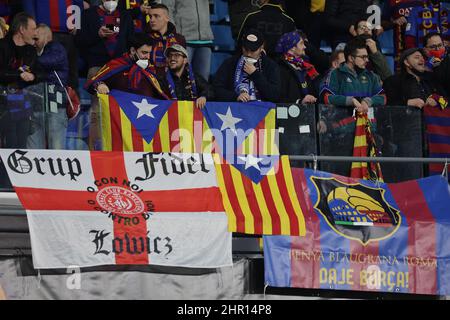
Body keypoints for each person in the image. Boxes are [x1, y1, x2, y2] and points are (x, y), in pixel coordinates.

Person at [75, 0, 134, 149]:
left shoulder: (125, 15)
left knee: (121, 107)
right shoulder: (88, 14)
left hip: (120, 67)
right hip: (97, 66)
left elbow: (130, 39)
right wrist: (98, 34)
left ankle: (121, 145)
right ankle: (96, 148)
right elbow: (80, 40)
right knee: (97, 109)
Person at [0, 12, 44, 149]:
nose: (35, 34)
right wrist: (19, 75)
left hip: (21, 102)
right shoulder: (2, 46)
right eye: (32, 29)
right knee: (10, 141)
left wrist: (34, 76)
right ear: (21, 29)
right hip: (2, 104)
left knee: (21, 143)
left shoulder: (30, 50)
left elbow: (38, 72)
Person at [85, 32, 168, 99]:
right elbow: (93, 82)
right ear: (132, 50)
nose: (148, 57)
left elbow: (161, 95)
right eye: (144, 52)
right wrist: (100, 84)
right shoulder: (116, 65)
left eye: (149, 53)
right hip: (120, 116)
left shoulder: (151, 69)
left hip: (145, 117)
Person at [27, 23, 69, 150]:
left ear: (46, 36)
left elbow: (46, 61)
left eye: (36, 39)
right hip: (36, 103)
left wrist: (28, 60)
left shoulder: (56, 48)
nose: (33, 43)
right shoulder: (37, 52)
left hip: (55, 104)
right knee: (34, 149)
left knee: (56, 148)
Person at [213, 29, 281, 102]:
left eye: (253, 50)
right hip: (235, 109)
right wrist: (235, 97)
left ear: (261, 47)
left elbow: (274, 96)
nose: (248, 54)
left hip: (261, 110)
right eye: (245, 49)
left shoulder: (270, 65)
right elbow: (216, 89)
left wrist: (255, 74)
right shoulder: (230, 63)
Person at [320, 37, 386, 112]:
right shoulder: (335, 74)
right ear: (351, 58)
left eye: (367, 57)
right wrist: (350, 101)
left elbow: (383, 98)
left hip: (368, 122)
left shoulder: (372, 76)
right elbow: (326, 97)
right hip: (343, 122)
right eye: (363, 57)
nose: (367, 60)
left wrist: (368, 101)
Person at [162, 0, 214, 81]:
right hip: (183, 41)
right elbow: (167, 10)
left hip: (205, 40)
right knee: (181, 79)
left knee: (203, 81)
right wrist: (174, 34)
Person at [383, 47, 448, 108]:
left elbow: (446, 98)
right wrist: (407, 103)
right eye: (417, 57)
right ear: (407, 62)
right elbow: (386, 103)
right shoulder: (393, 81)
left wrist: (437, 101)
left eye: (422, 57)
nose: (422, 60)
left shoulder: (431, 79)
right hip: (407, 119)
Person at [161, 43, 214, 108]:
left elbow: (210, 90)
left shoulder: (193, 77)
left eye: (177, 55)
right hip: (171, 115)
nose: (172, 58)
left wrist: (203, 97)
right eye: (170, 55)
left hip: (191, 115)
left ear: (185, 60)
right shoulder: (162, 78)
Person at [275, 30, 319, 104]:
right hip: (291, 112)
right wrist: (299, 102)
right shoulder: (280, 68)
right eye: (301, 43)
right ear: (292, 47)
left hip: (309, 110)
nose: (305, 47)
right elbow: (280, 96)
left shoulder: (305, 64)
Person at [145, 3, 185, 75]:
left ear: (167, 18)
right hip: (150, 80)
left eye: (156, 16)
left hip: (173, 81)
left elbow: (183, 66)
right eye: (150, 16)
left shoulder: (179, 39)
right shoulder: (143, 38)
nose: (152, 20)